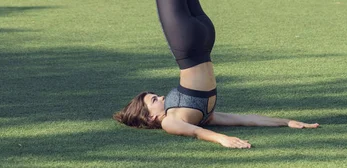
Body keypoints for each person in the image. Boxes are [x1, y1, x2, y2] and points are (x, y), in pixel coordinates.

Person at [113, 0, 319, 149]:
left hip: (192, 41)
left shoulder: (193, 116)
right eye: (154, 99)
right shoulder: (171, 122)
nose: (161, 97)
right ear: (151, 117)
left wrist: (285, 122)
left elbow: (240, 121)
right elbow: (239, 120)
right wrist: (222, 138)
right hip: (193, 40)